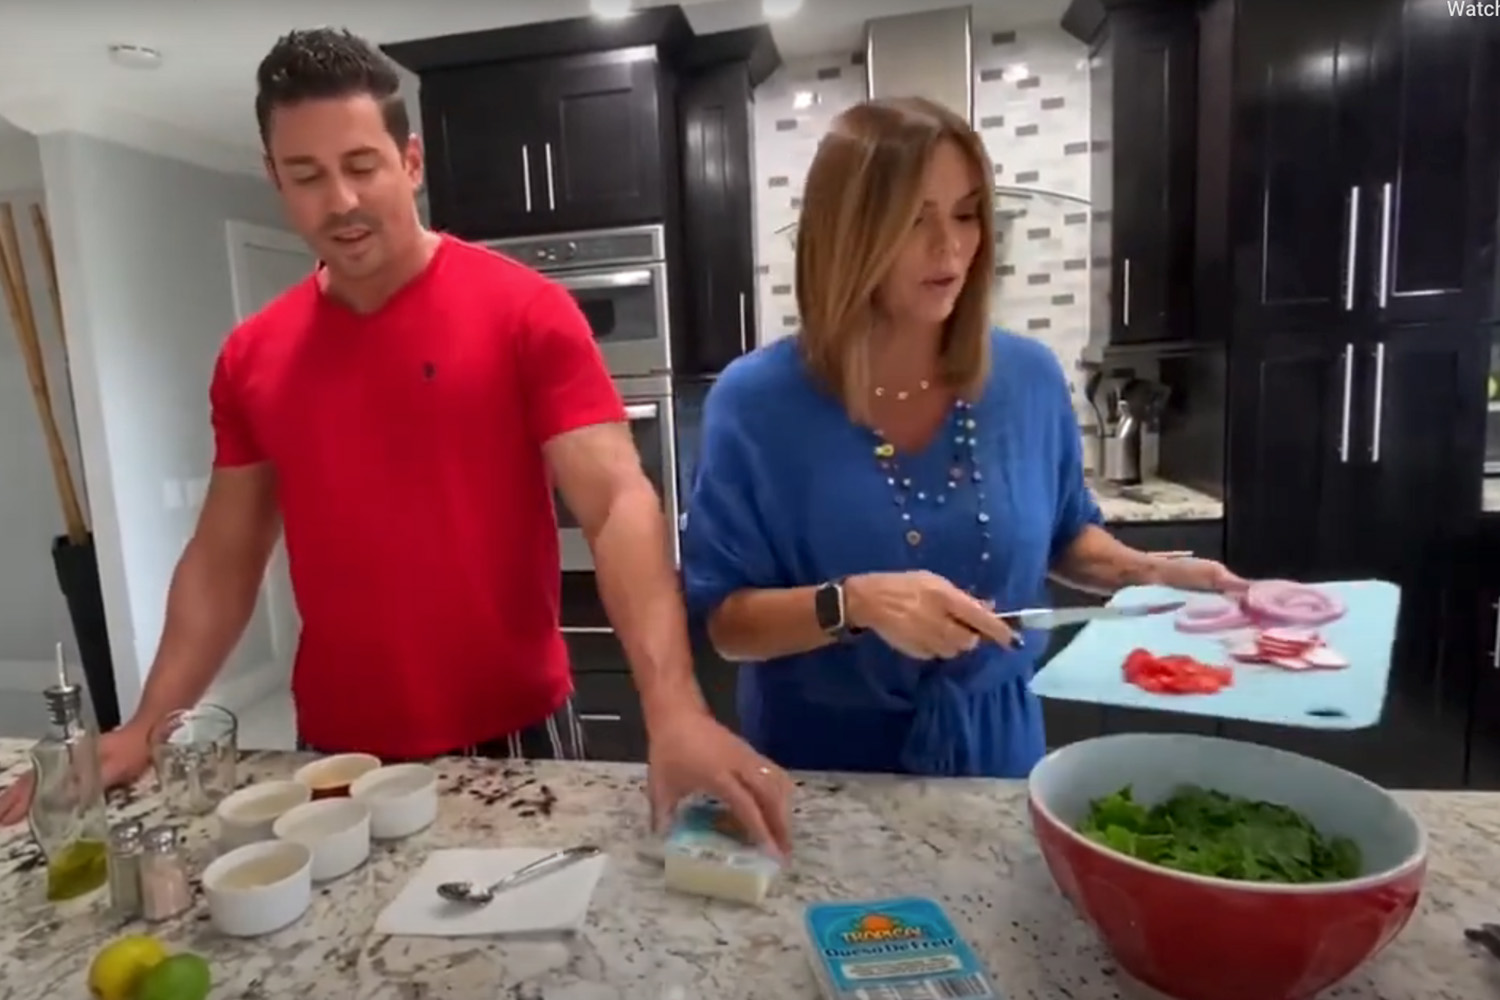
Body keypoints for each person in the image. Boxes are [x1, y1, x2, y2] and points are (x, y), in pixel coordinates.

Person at [0, 27, 793, 853]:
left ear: (410, 163)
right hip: (337, 755)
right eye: (306, 176)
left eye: (361, 166)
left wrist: (675, 710)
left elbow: (619, 503)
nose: (339, 200)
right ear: (275, 180)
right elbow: (224, 555)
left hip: (514, 733)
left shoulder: (526, 313)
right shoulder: (252, 357)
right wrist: (146, 725)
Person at [680, 97, 1246, 779]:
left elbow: (1067, 534)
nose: (949, 246)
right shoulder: (756, 403)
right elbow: (728, 625)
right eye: (915, 219)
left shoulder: (1030, 379)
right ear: (847, 236)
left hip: (998, 754)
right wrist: (855, 603)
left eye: (966, 211)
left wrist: (1149, 573)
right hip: (823, 771)